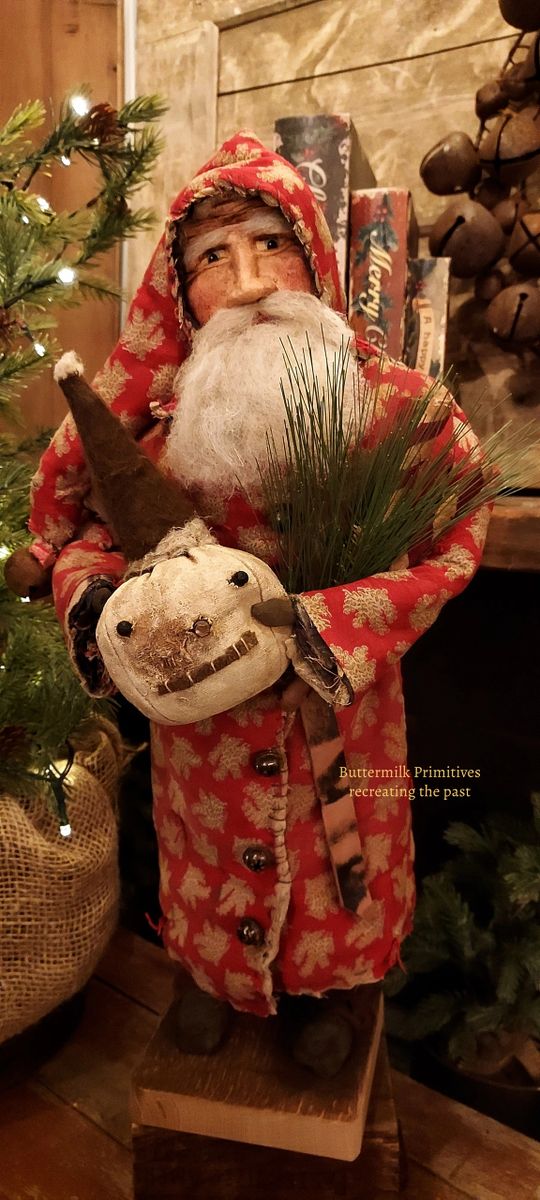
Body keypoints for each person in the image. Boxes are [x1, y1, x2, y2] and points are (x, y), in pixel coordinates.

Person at [21, 133, 490, 1075]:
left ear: (313, 257)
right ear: (180, 291)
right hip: (205, 736)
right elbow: (74, 537)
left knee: (340, 856)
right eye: (213, 258)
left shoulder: (397, 408)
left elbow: (458, 532)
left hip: (345, 714)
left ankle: (339, 992)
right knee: (202, 850)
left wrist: (339, 622)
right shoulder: (156, 431)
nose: (248, 283)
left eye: (272, 245)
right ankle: (217, 981)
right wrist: (110, 608)